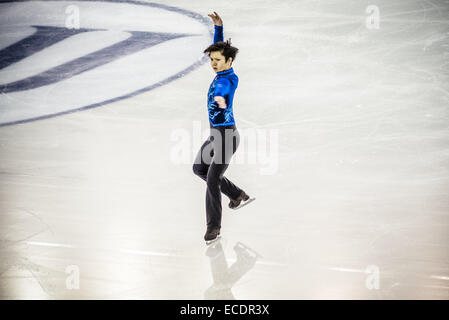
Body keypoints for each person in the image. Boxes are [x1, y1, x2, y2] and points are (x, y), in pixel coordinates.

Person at [193, 12, 253, 244]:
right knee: (199, 168)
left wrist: (220, 99)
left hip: (227, 137)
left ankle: (213, 228)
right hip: (215, 136)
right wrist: (218, 28)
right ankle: (237, 195)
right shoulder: (221, 69)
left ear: (229, 62)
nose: (214, 63)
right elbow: (219, 48)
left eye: (218, 60)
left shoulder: (228, 79)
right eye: (212, 60)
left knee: (212, 178)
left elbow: (224, 91)